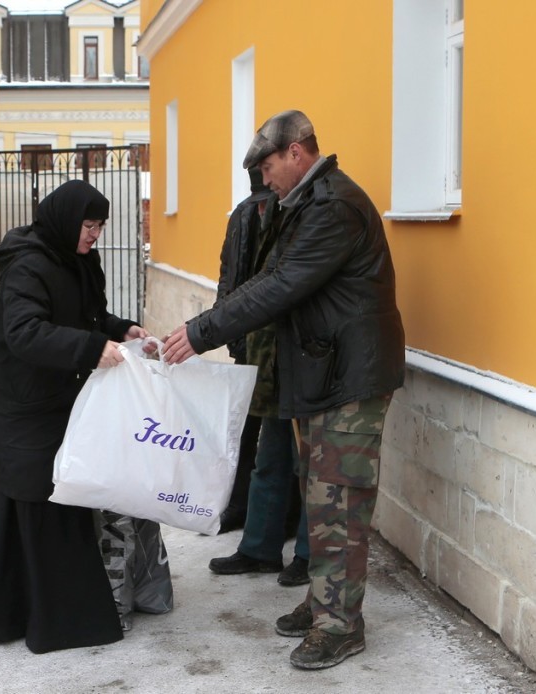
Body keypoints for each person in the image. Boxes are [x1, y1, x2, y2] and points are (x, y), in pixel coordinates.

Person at [163, 110, 405, 669]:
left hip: (349, 376)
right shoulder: (306, 202)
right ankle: (326, 602)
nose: (265, 180)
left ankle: (340, 625)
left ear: (297, 153)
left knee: (339, 502)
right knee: (322, 498)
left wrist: (200, 333)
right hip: (326, 371)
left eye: (269, 167)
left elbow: (281, 284)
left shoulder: (333, 207)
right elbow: (270, 281)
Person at [0, 179, 148, 654]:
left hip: (59, 399)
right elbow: (25, 332)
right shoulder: (28, 264)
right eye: (89, 225)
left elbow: (87, 317)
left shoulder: (81, 260)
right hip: (21, 405)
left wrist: (119, 329)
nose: (94, 235)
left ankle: (62, 614)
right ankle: (19, 615)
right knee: (30, 496)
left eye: (101, 226)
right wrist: (91, 348)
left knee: (58, 497)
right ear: (67, 220)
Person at [208, 174, 310, 587]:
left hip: (303, 363)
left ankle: (307, 555)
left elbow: (277, 289)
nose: (267, 205)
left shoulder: (307, 219)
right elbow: (231, 277)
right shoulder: (246, 216)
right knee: (268, 459)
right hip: (264, 357)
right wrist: (230, 335)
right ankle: (259, 549)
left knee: (309, 467)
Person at [212, 168, 268, 533]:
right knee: (244, 429)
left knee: (276, 438)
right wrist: (226, 328)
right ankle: (238, 504)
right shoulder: (241, 218)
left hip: (275, 342)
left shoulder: (287, 216)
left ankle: (280, 515)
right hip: (247, 338)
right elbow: (228, 276)